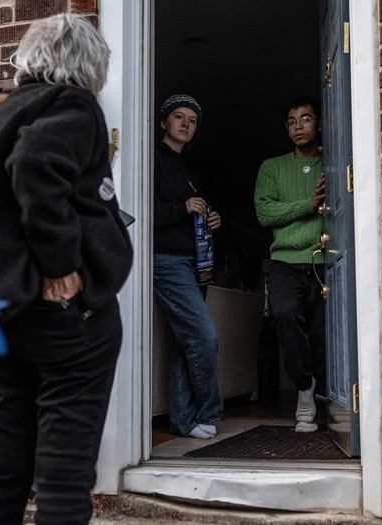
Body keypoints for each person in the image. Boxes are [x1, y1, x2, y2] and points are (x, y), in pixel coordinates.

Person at [0, 14, 133, 525]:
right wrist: (60, 264)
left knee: (2, 468)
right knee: (63, 473)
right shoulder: (73, 103)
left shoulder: (0, 118)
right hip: (57, 314)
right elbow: (36, 162)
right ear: (90, 66)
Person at [254, 96, 326, 433]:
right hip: (283, 259)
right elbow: (265, 212)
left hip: (323, 260)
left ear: (319, 124)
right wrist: (308, 205)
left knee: (321, 333)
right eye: (292, 122)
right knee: (283, 314)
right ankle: (304, 387)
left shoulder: (333, 162)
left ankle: (328, 399)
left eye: (306, 119)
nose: (298, 127)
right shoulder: (272, 167)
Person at [153, 94, 223, 439]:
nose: (185, 124)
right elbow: (141, 210)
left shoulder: (189, 171)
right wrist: (182, 208)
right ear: (164, 122)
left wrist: (209, 219)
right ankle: (210, 412)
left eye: (192, 120)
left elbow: (191, 211)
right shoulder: (150, 159)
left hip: (196, 261)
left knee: (185, 343)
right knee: (204, 334)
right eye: (178, 117)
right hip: (166, 260)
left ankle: (183, 419)